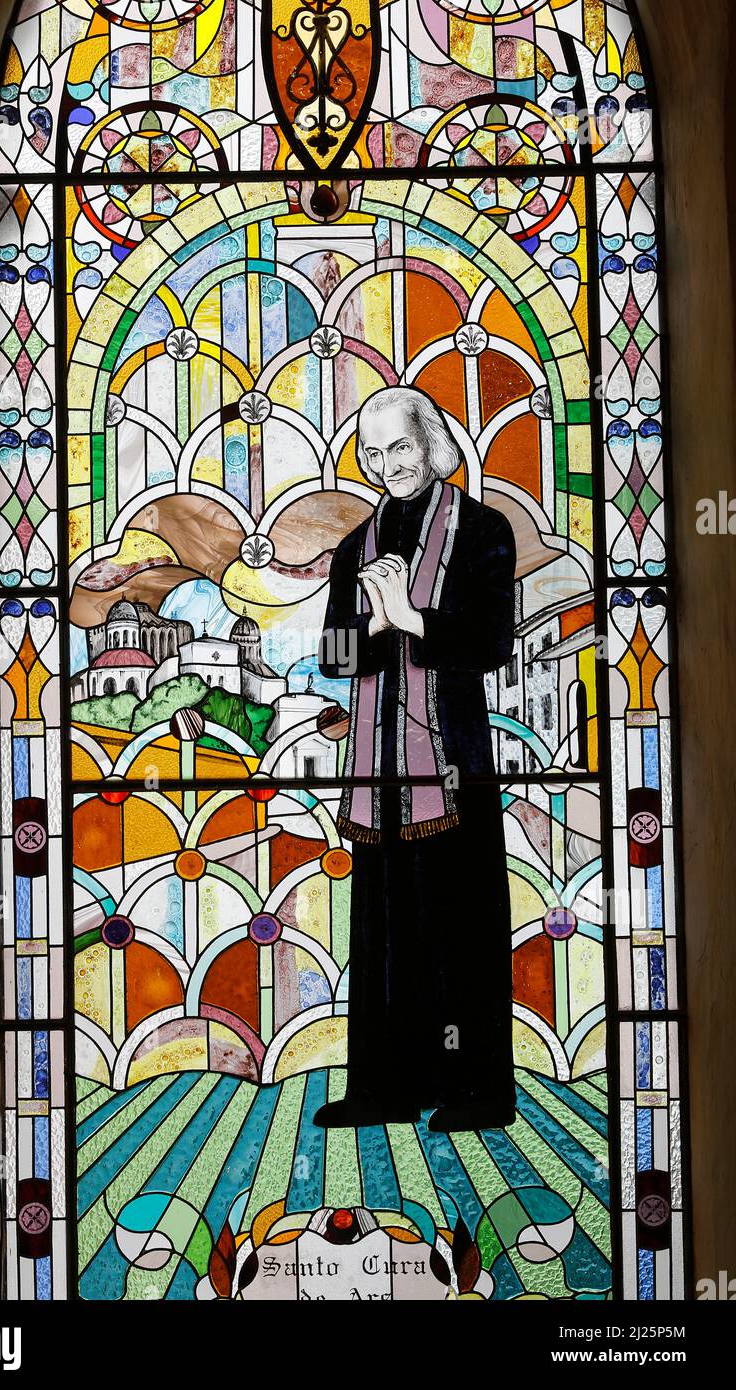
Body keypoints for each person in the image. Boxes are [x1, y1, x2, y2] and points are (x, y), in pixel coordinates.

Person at [316, 386, 517, 1133]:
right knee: (384, 933)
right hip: (377, 774)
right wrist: (373, 622)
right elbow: (334, 659)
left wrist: (413, 619)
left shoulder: (483, 531)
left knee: (462, 927)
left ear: (432, 444)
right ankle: (382, 1088)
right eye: (372, 452)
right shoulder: (354, 548)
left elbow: (494, 642)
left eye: (400, 446)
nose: (386, 463)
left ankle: (478, 1090)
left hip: (456, 768)